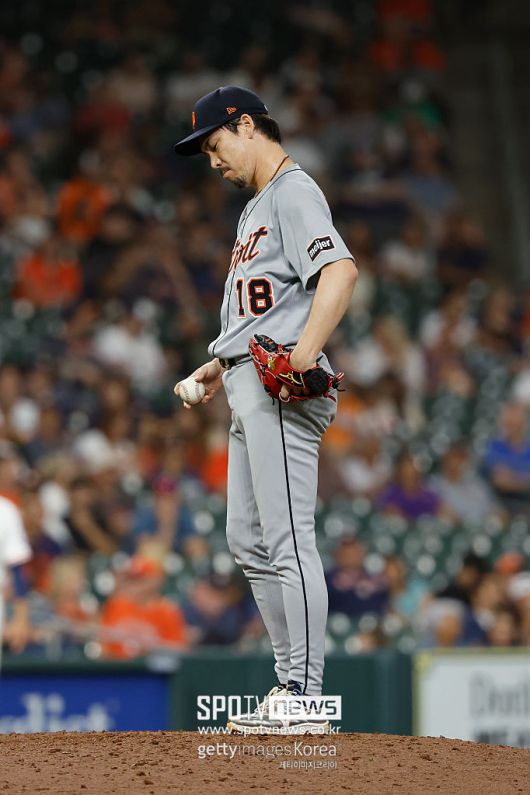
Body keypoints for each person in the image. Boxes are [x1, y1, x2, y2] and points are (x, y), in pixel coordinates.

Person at [173, 86, 357, 734]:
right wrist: (218, 364)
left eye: (215, 144)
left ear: (247, 125)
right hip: (245, 376)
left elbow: (339, 272)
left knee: (285, 540)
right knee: (247, 540)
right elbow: (263, 308)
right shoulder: (256, 206)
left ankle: (304, 696)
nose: (212, 160)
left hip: (277, 384)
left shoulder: (292, 190)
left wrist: (302, 354)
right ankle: (289, 688)